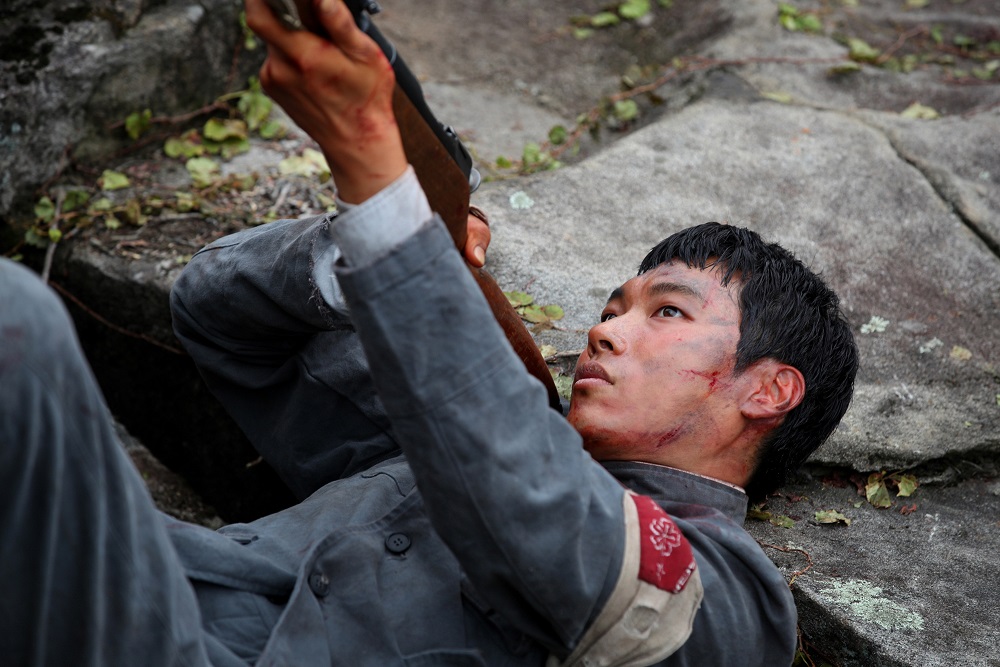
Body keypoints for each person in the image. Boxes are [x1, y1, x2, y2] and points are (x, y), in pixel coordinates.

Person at [0, 0, 859, 665]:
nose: (604, 333)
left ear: (769, 389)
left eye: (664, 311)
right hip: (103, 592)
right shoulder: (432, 437)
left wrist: (389, 204)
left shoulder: (735, 602)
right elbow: (218, 314)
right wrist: (370, 254)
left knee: (19, 323)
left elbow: (546, 516)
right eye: (610, 307)